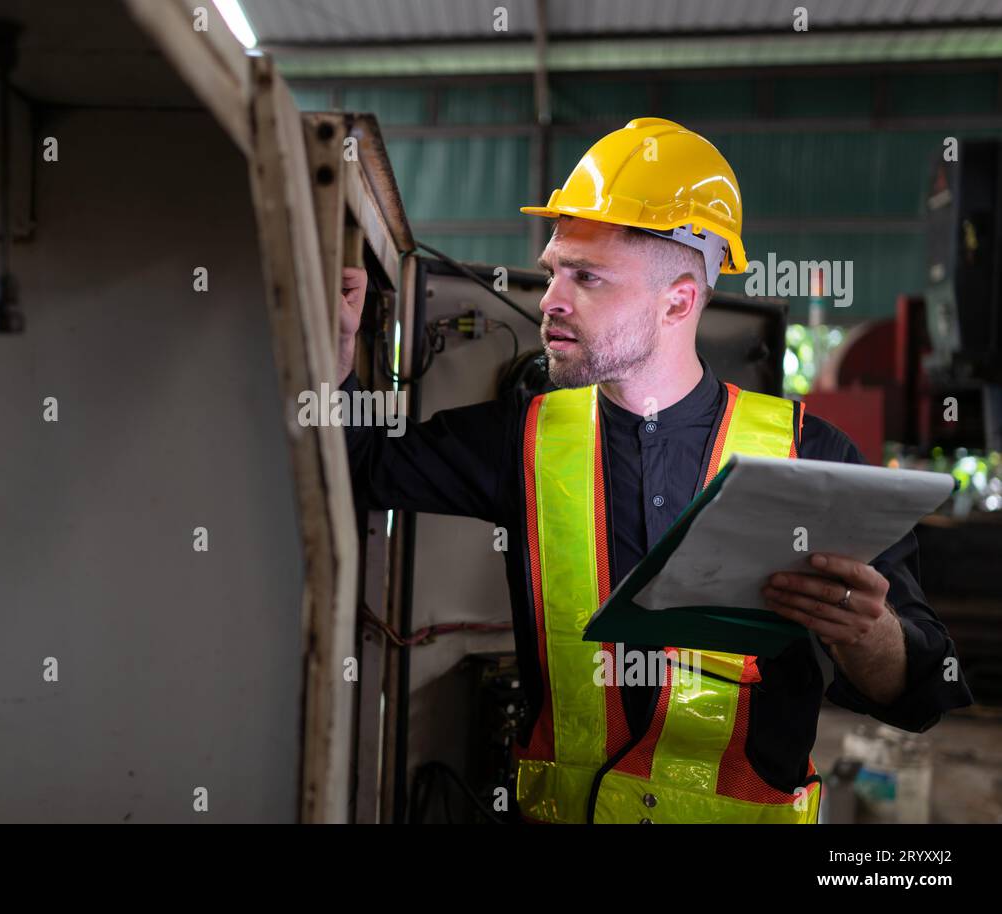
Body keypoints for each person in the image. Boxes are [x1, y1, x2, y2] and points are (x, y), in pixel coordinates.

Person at [335, 117, 973, 824]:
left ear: (678, 299)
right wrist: (334, 360)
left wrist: (866, 633)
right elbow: (361, 468)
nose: (550, 299)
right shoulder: (519, 439)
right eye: (554, 271)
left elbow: (920, 692)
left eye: (587, 277)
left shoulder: (811, 456)